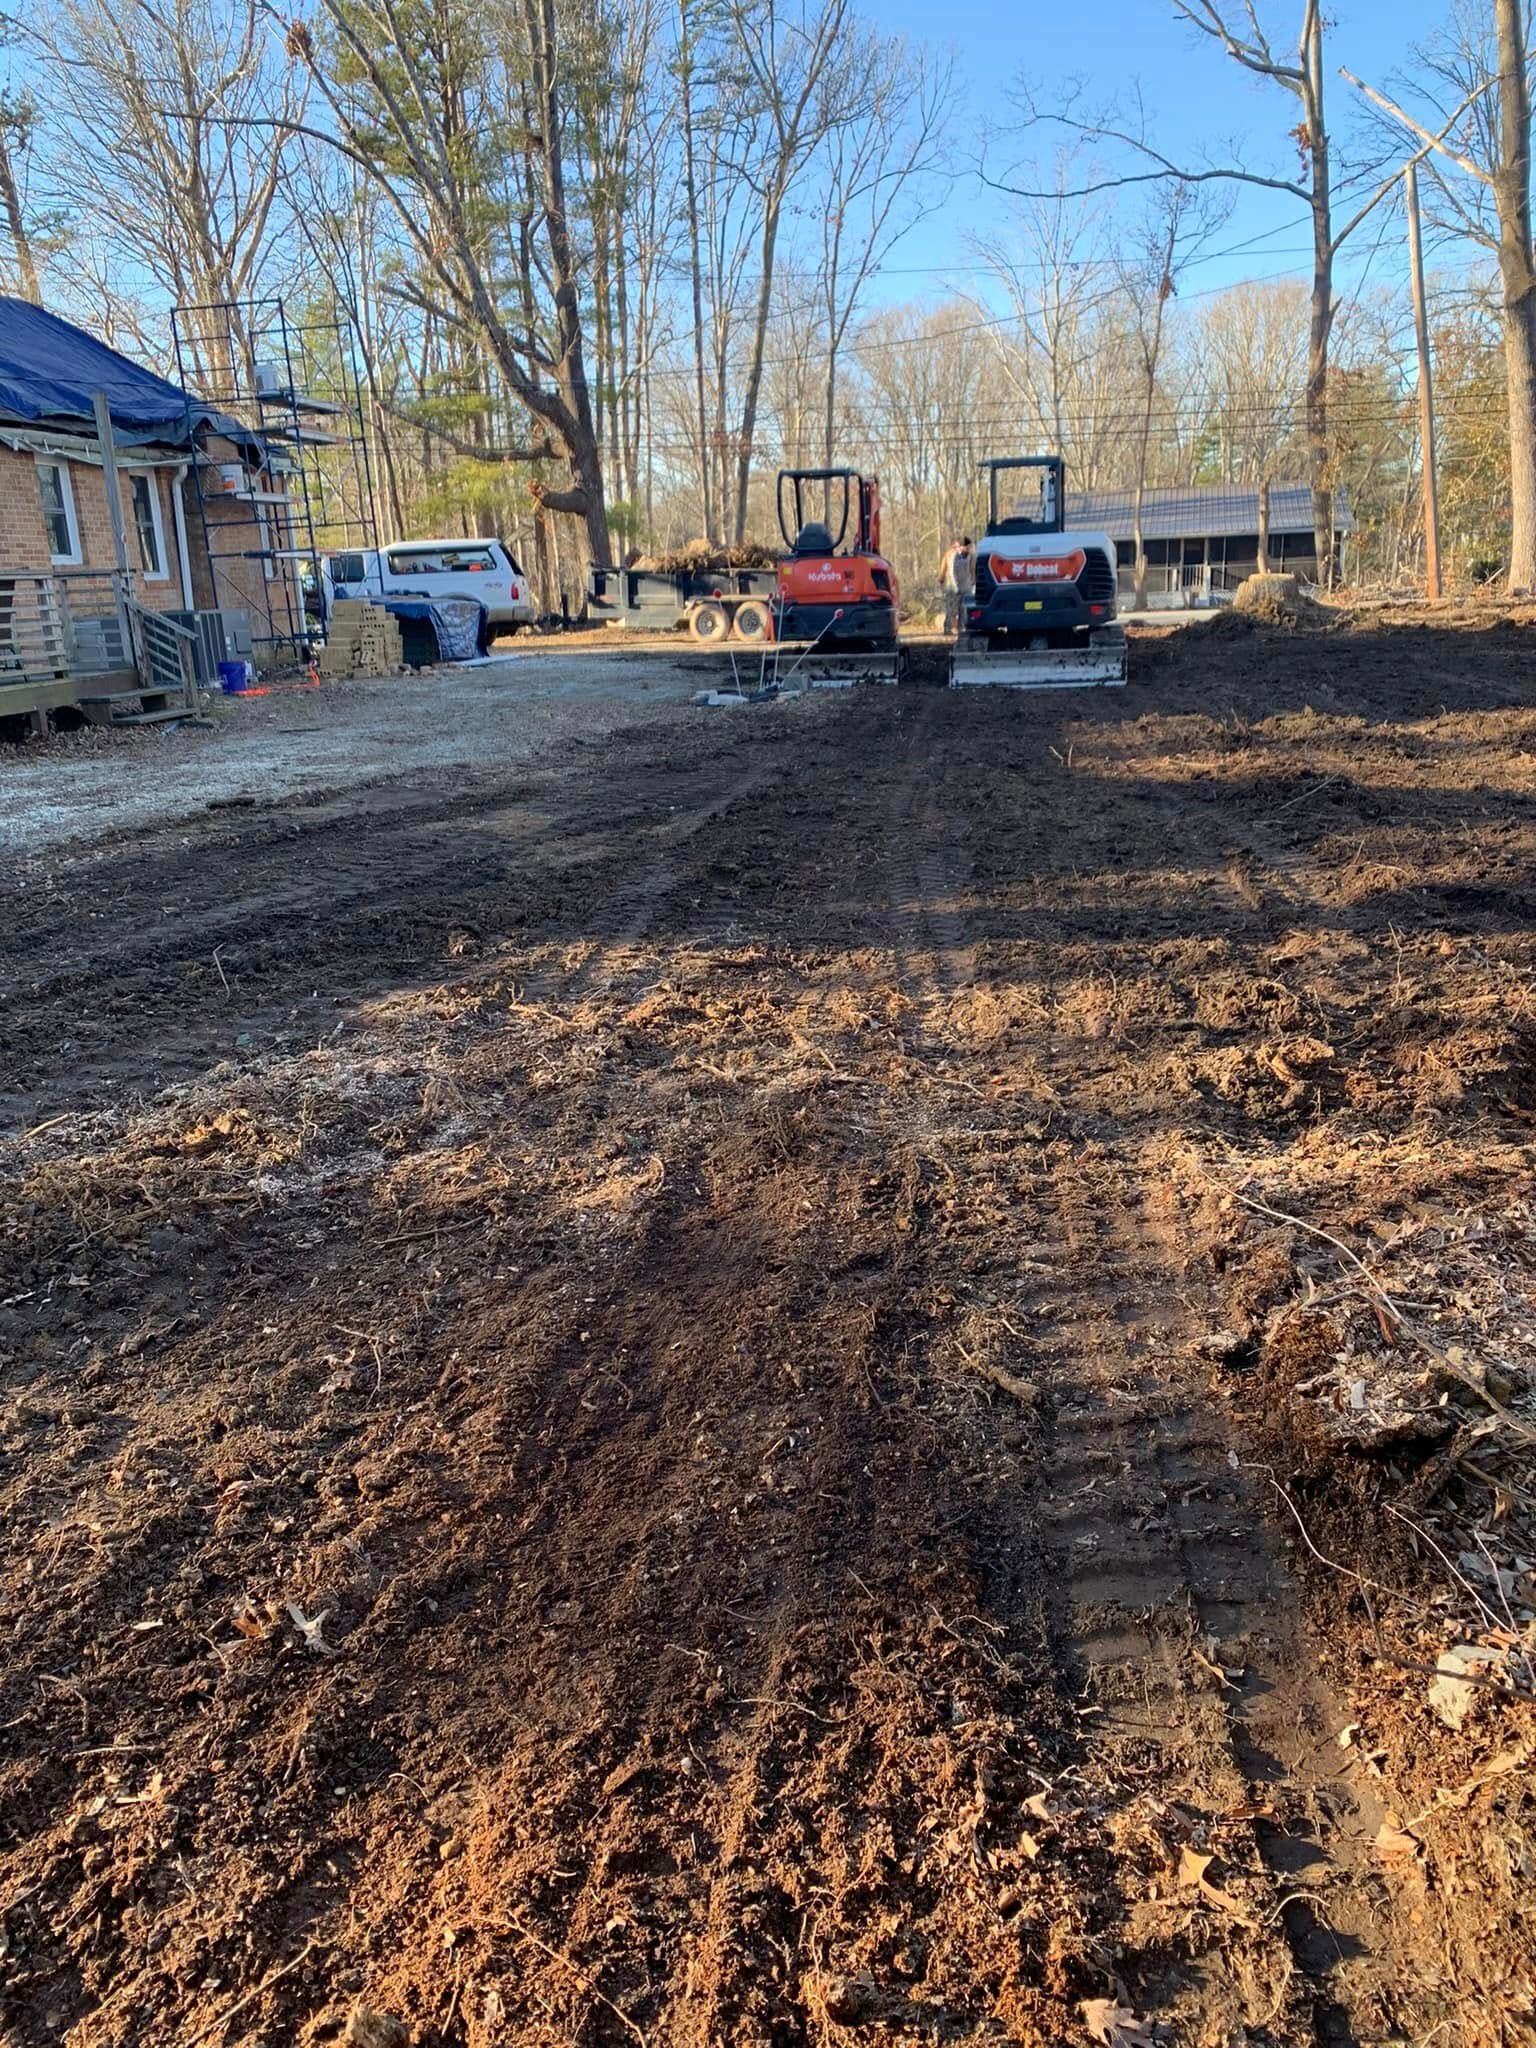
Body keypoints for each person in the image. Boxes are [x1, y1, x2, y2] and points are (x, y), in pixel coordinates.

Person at [940, 536, 975, 632]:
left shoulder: (970, 556)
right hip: (952, 586)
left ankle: (962, 628)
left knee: (963, 608)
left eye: (969, 547)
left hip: (965, 585)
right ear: (960, 546)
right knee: (950, 608)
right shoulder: (951, 555)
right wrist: (942, 579)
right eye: (967, 547)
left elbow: (972, 569)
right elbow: (950, 571)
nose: (968, 549)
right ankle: (947, 628)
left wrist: (973, 583)